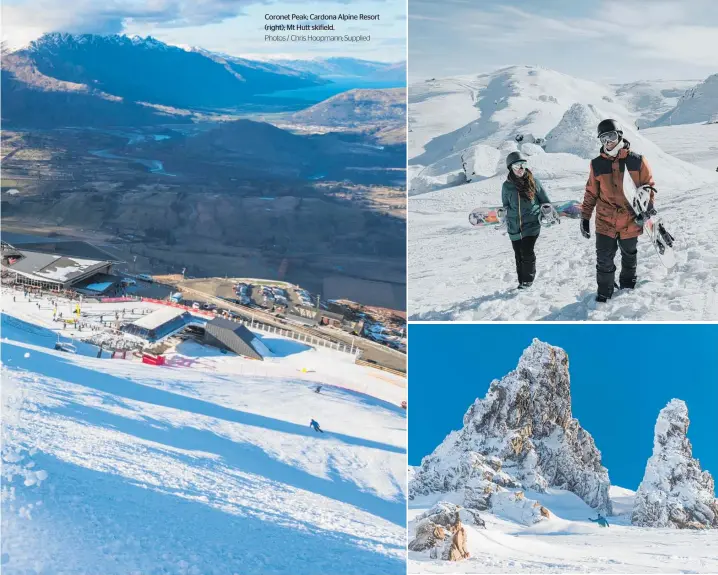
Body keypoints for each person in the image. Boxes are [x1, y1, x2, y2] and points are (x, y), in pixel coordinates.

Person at [580, 119, 656, 302]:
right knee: (604, 259)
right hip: (605, 220)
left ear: (620, 135)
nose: (608, 142)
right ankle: (604, 293)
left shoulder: (636, 161)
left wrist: (646, 210)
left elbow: (648, 187)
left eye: (611, 136)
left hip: (630, 219)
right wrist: (585, 217)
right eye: (603, 138)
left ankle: (628, 286)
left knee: (629, 255)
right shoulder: (597, 164)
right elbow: (591, 192)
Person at [502, 151, 552, 289]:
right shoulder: (506, 186)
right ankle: (521, 282)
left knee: (527, 251)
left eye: (523, 164)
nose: (521, 168)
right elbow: (505, 205)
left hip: (531, 224)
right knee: (518, 254)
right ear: (511, 168)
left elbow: (545, 201)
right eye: (517, 166)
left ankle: (528, 281)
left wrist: (548, 213)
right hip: (514, 226)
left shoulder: (534, 182)